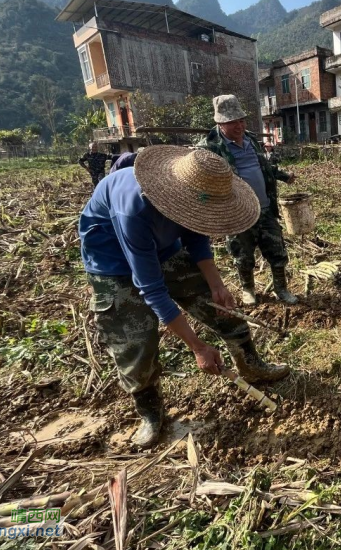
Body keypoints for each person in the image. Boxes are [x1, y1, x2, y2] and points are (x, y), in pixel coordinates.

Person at [79, 146, 290, 448]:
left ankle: (251, 365)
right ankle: (150, 411)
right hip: (113, 264)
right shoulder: (133, 208)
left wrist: (216, 283)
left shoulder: (192, 195)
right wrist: (198, 347)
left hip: (166, 249)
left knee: (218, 305)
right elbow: (151, 287)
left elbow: (195, 231)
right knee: (135, 339)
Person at [197, 95, 298, 306]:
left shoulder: (251, 139)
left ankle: (281, 288)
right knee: (242, 255)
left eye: (241, 120)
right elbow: (201, 181)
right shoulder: (209, 148)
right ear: (220, 123)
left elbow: (263, 167)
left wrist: (283, 176)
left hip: (265, 207)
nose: (239, 125)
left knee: (277, 250)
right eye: (233, 122)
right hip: (237, 213)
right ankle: (248, 289)